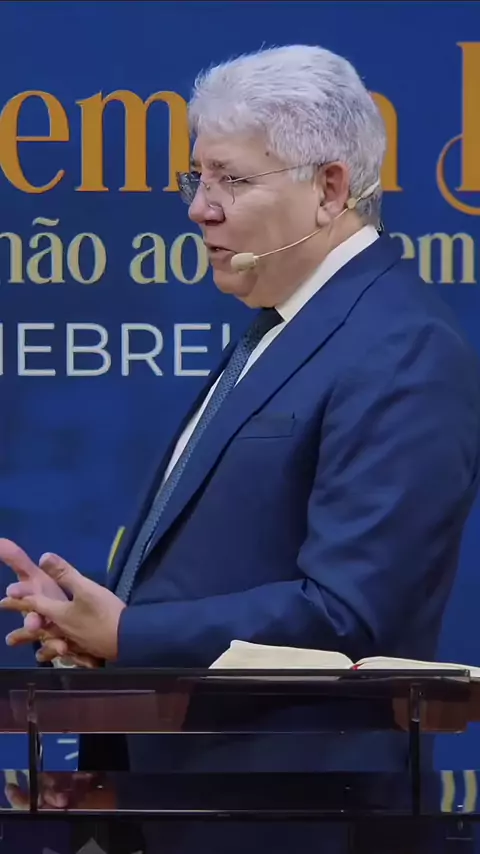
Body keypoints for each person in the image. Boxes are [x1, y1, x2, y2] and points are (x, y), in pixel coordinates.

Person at [1, 43, 480, 851]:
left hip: (295, 820)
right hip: (185, 806)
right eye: (197, 178)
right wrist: (95, 628)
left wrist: (130, 634)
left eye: (231, 180)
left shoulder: (403, 346)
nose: (200, 208)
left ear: (330, 189)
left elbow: (350, 612)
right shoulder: (282, 325)